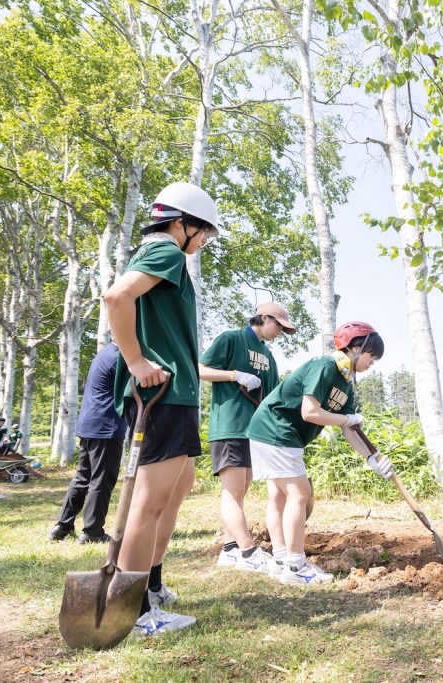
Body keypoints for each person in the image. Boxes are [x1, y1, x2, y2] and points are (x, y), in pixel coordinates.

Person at [104, 181, 220, 637]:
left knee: (178, 485)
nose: (205, 240)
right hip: (163, 395)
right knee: (150, 502)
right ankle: (132, 613)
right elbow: (117, 297)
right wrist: (135, 360)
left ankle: (150, 583)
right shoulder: (166, 251)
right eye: (204, 231)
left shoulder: (166, 255)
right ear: (181, 224)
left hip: (177, 395)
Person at [247, 321, 393, 585]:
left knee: (279, 496)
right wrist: (346, 419)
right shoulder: (325, 367)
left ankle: (281, 560)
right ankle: (295, 566)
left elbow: (350, 428)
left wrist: (373, 458)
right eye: (373, 355)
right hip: (276, 428)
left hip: (275, 432)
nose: (374, 362)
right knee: (299, 493)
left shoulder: (346, 384)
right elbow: (310, 412)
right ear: (356, 348)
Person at [199, 302, 295, 572]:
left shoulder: (268, 355)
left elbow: (275, 395)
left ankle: (230, 550)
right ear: (263, 318)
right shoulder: (232, 339)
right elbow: (199, 369)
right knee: (232, 491)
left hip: (254, 430)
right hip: (229, 425)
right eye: (278, 325)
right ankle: (248, 551)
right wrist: (233, 375)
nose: (280, 332)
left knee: (242, 490)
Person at [50, 343, 127, 544]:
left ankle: (62, 526)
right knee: (101, 480)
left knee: (82, 477)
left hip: (90, 423)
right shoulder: (121, 357)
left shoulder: (105, 352)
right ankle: (92, 532)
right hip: (106, 427)